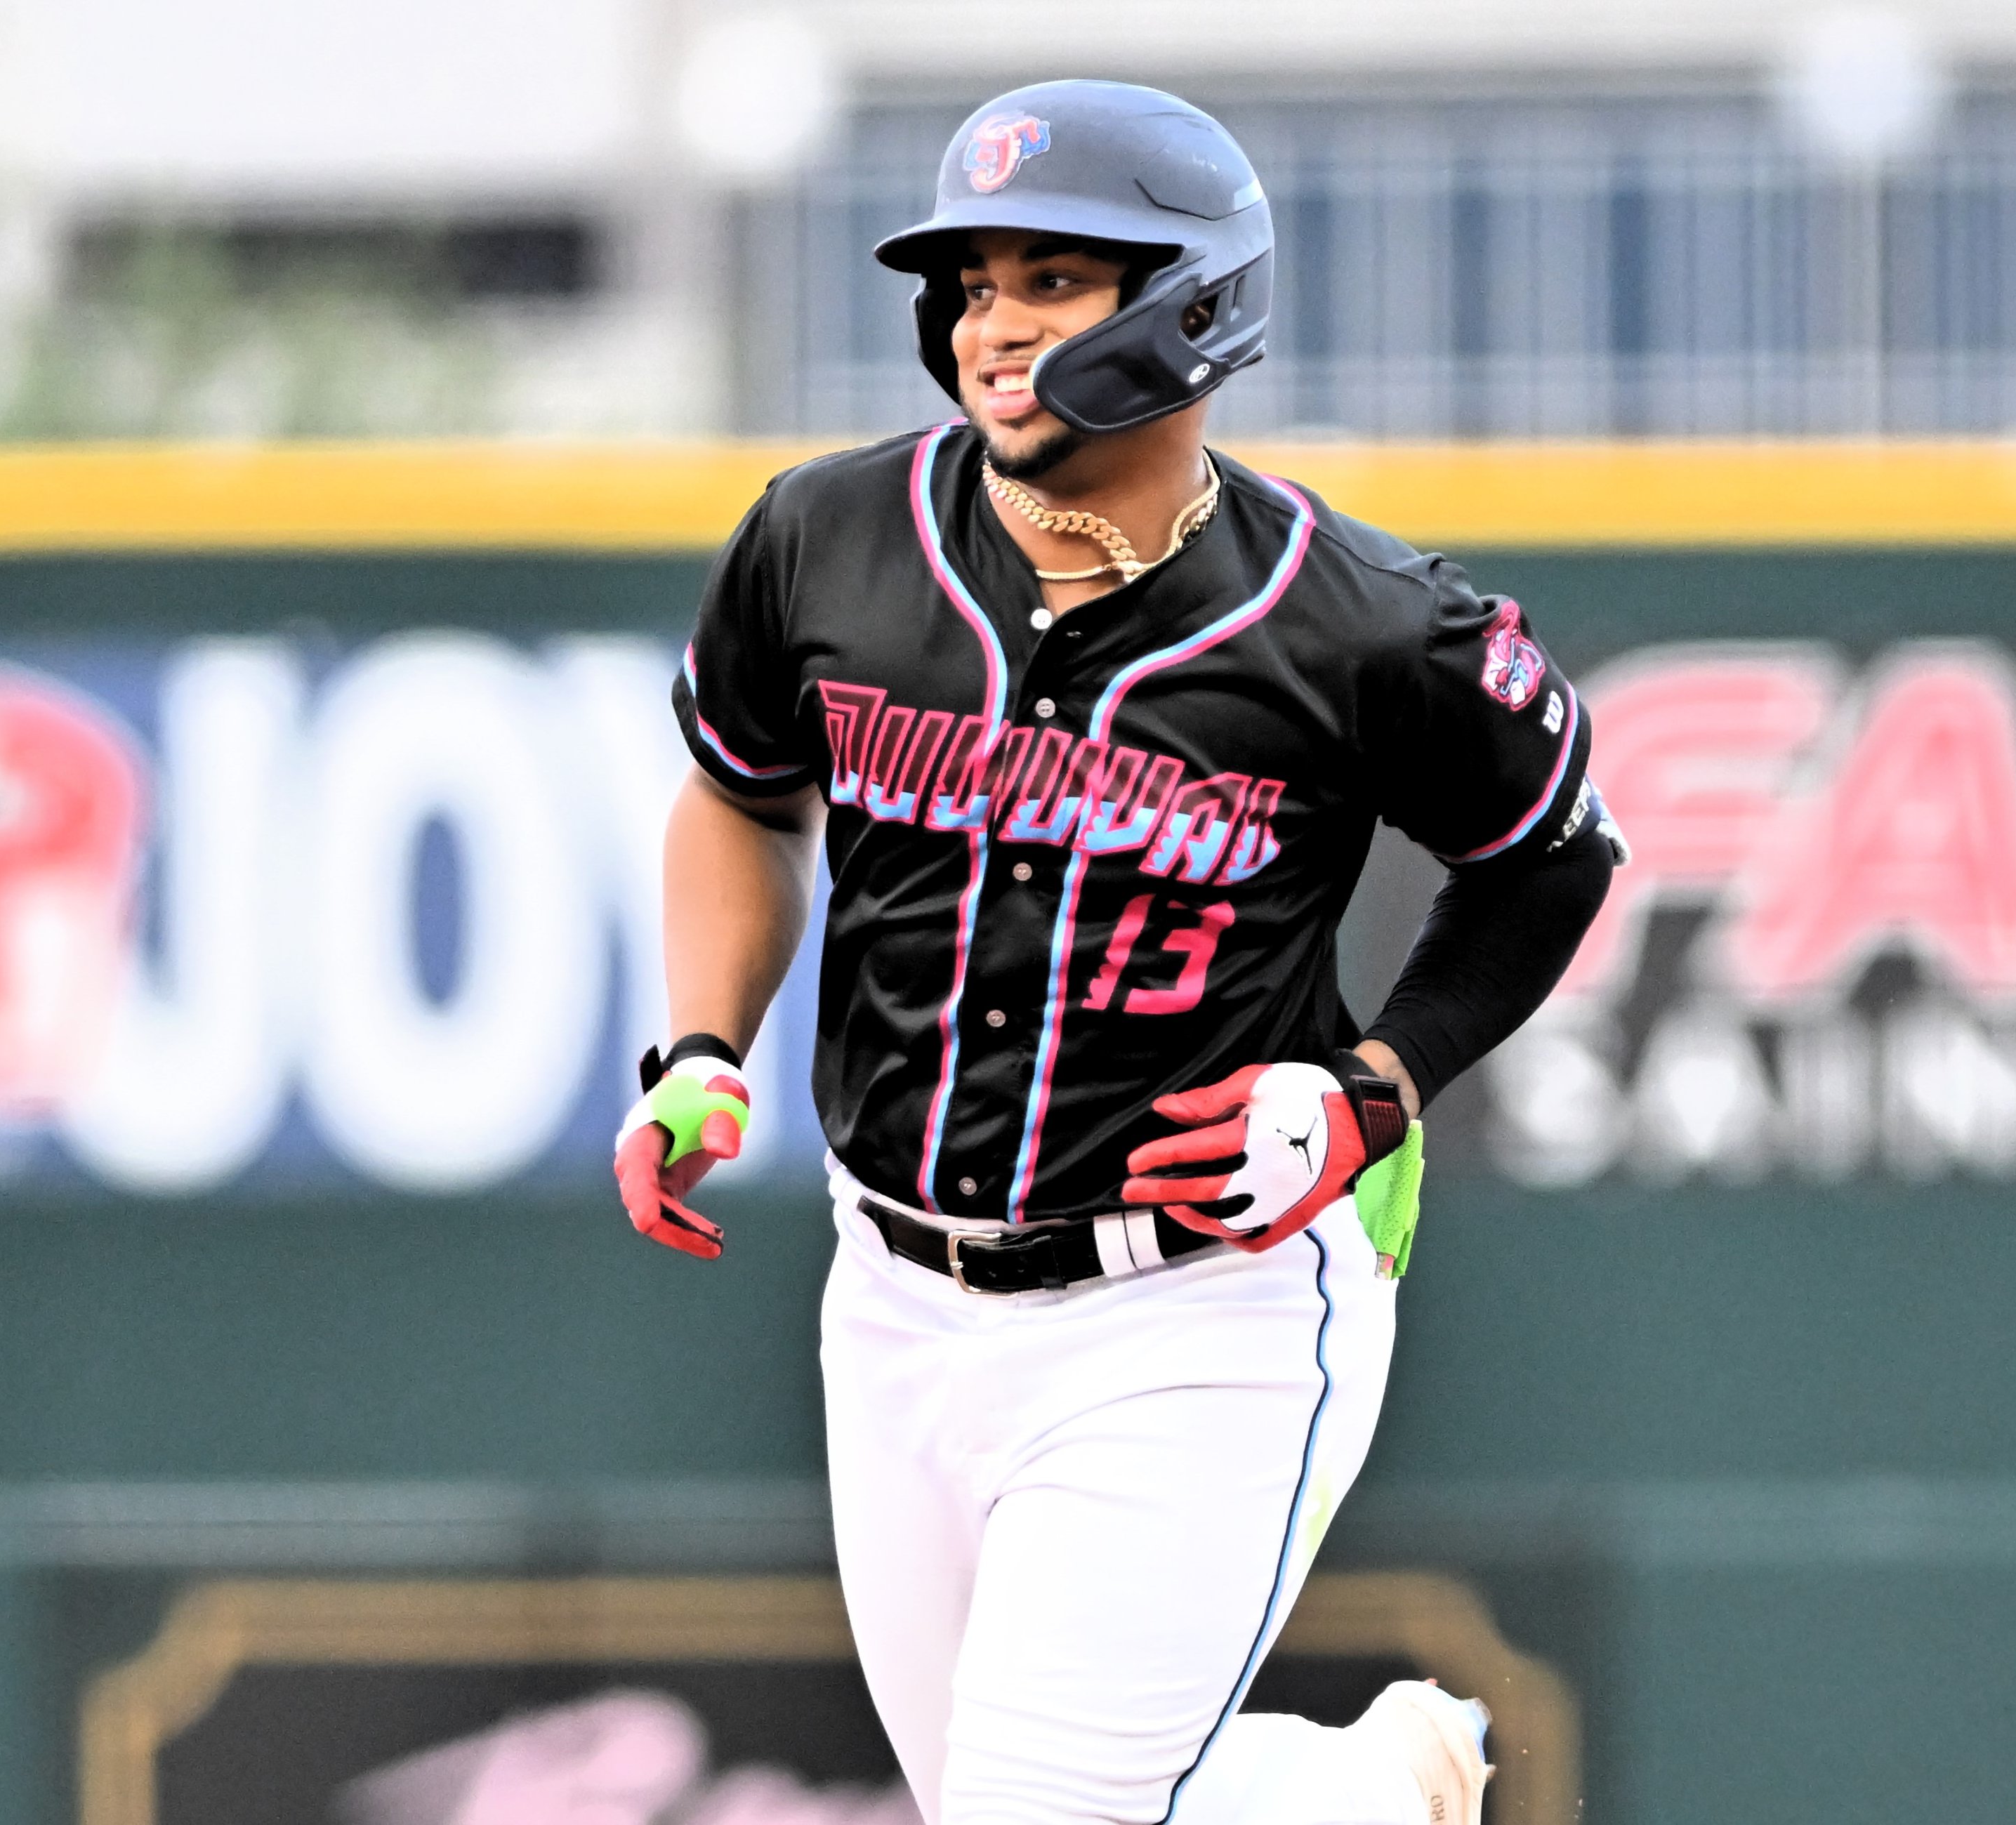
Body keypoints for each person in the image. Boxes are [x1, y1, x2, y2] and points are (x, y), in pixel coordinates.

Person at [614, 79, 1619, 1825]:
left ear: (1192, 299)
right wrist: (703, 1044)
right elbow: (741, 791)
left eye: (1053, 278)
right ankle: (1369, 1796)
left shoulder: (1362, 620)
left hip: (1197, 1303)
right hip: (898, 1293)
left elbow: (1550, 860)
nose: (997, 324)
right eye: (977, 281)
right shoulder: (828, 537)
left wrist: (1375, 1090)